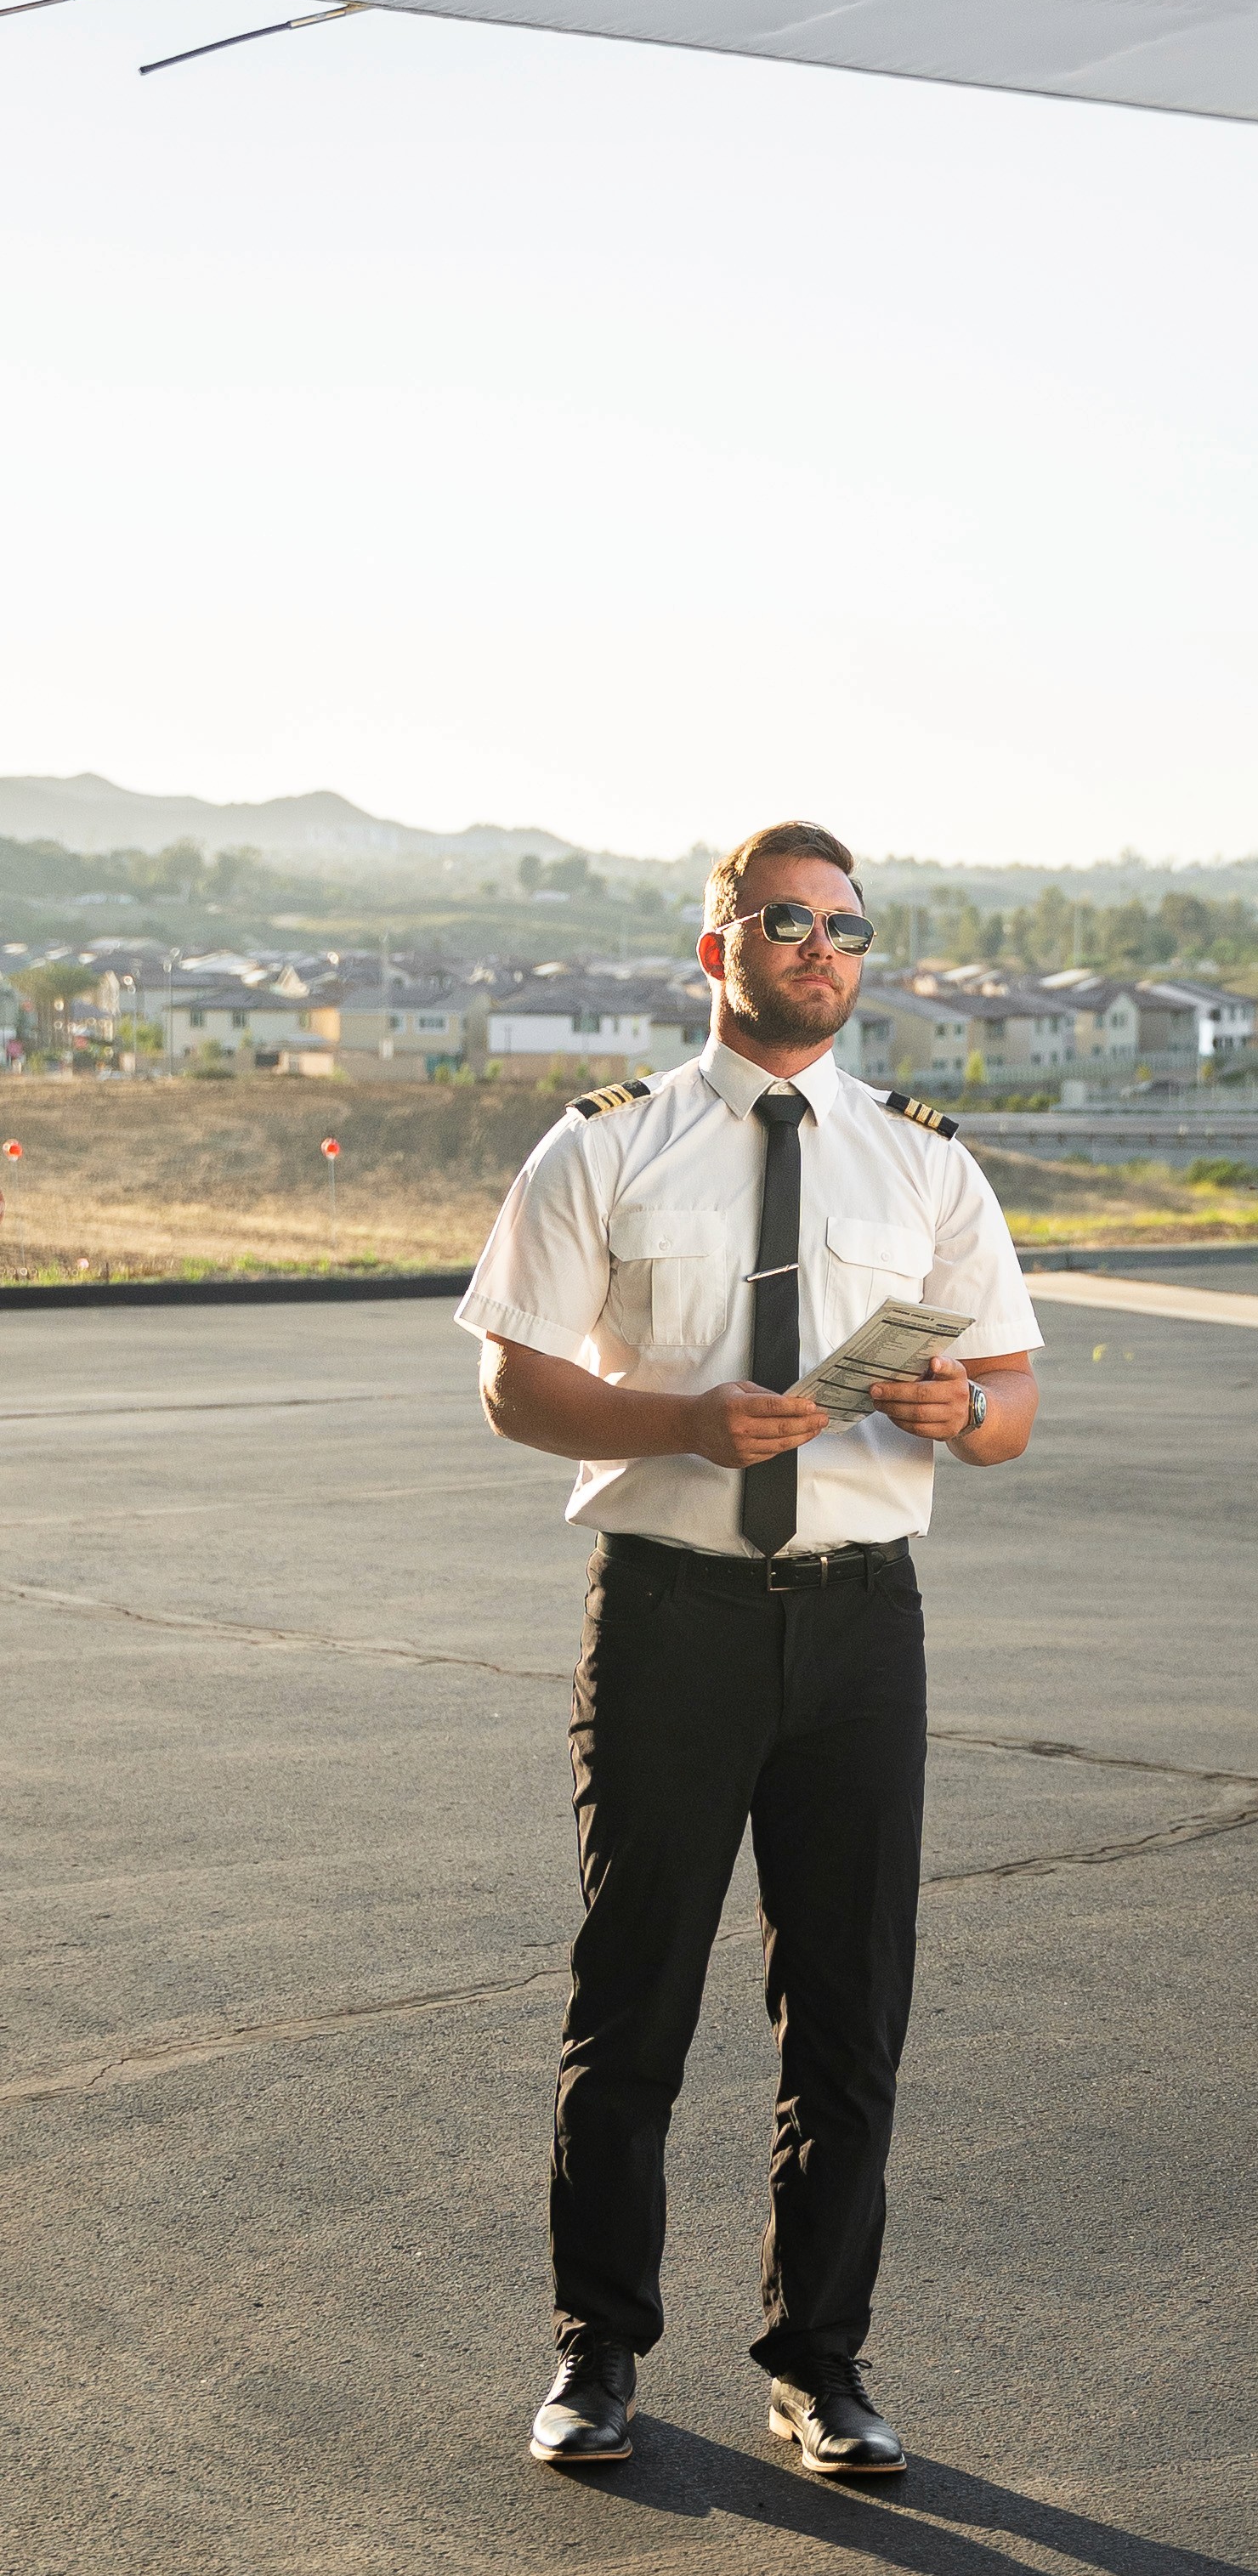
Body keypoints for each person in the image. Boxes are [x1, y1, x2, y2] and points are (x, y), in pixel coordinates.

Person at [461, 819, 1041, 2482]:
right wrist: (685, 1421)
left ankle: (821, 2367)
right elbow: (512, 1385)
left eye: (848, 926)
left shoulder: (924, 1163)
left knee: (850, 2010)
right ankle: (597, 2356)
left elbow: (1010, 1405)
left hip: (861, 1622)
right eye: (784, 919)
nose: (819, 946)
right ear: (717, 948)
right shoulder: (605, 1147)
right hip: (673, 1610)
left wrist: (960, 1407)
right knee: (632, 2000)